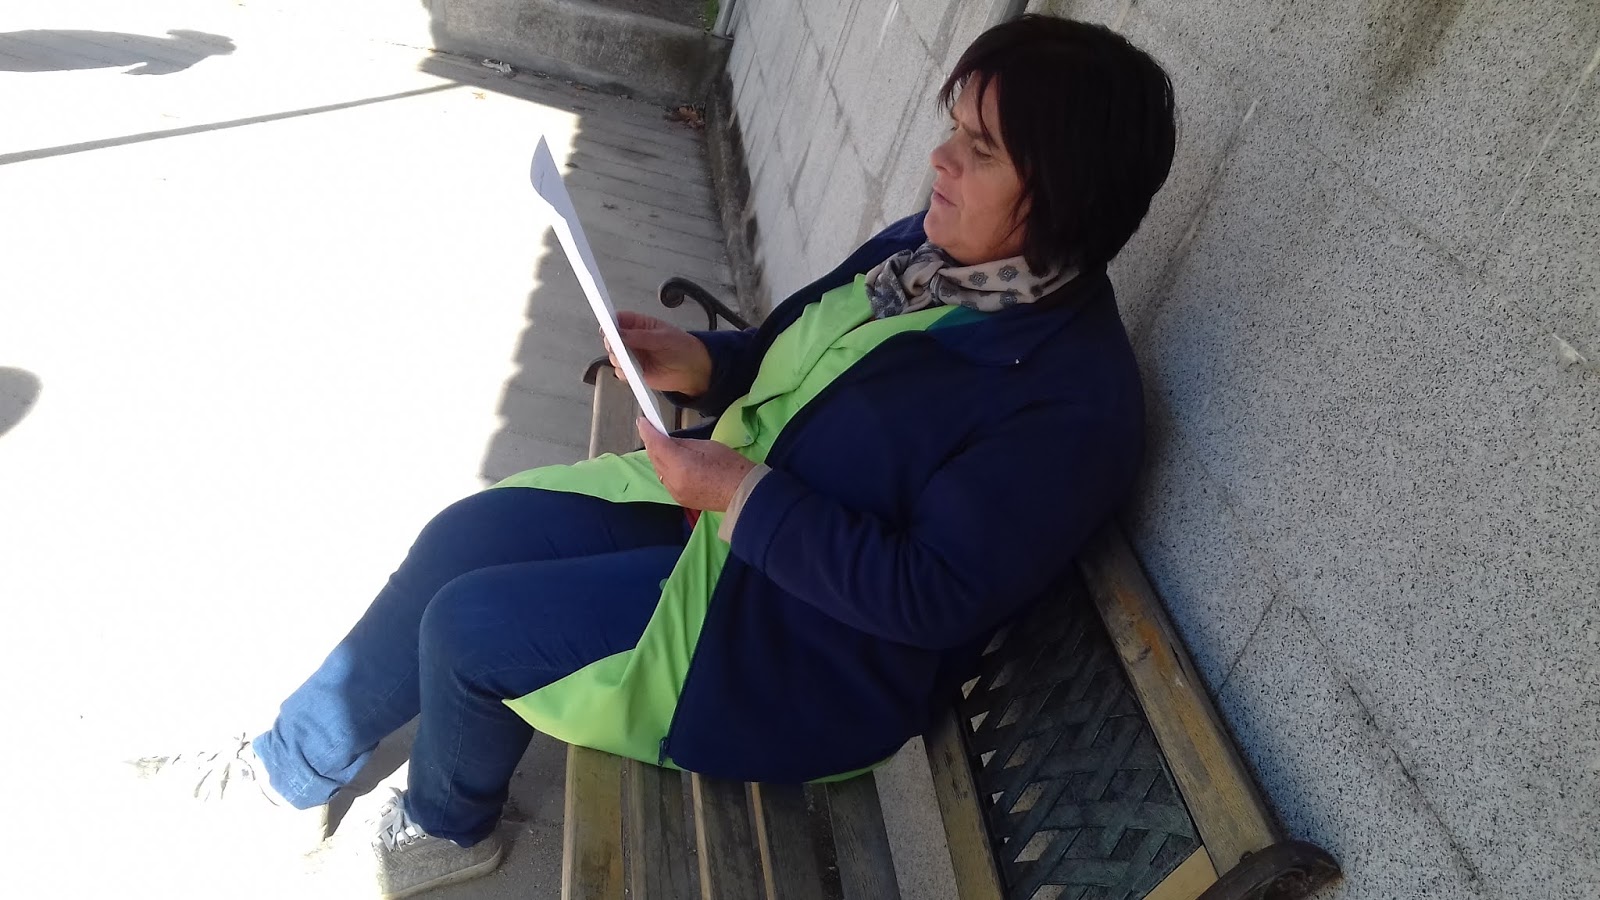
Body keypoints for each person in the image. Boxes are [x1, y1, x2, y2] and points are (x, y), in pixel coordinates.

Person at [141, 14, 1175, 899]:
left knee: (469, 627)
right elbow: (800, 359)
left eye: (981, 150)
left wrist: (741, 494)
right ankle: (290, 771)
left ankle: (445, 828)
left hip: (794, 648)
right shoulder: (932, 255)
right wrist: (705, 363)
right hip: (729, 525)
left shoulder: (1071, 406)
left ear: (1067, 196)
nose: (940, 160)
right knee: (466, 535)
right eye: (953, 127)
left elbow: (928, 594)